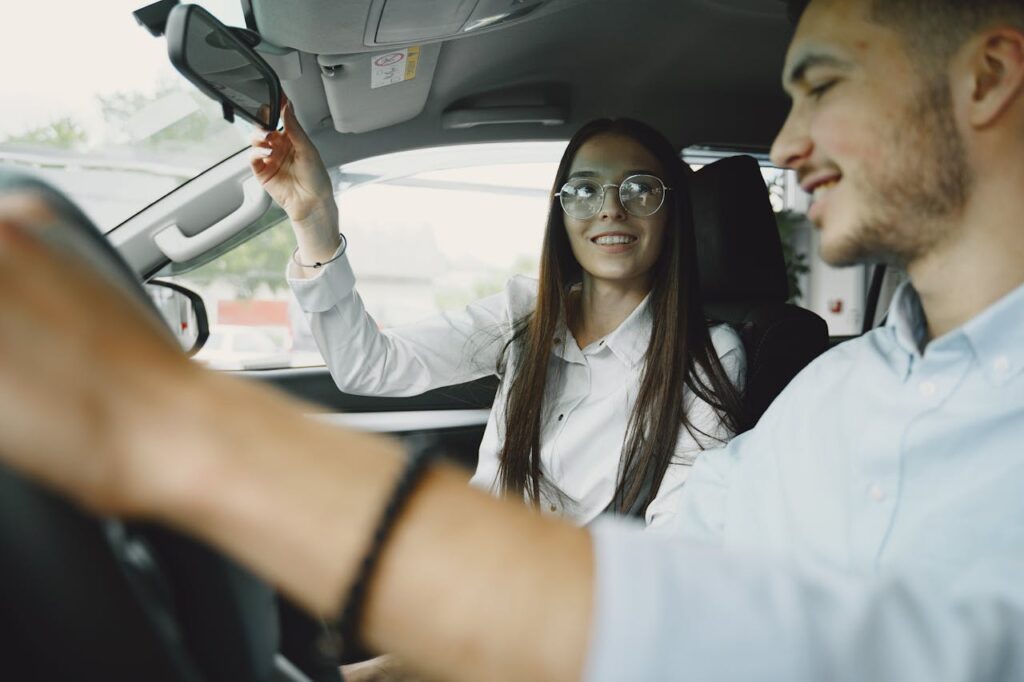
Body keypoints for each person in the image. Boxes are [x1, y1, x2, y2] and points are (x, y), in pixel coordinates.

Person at [1, 0, 1024, 680]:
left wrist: (176, 430)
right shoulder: (835, 396)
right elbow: (670, 581)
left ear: (986, 79)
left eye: (822, 85)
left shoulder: (733, 367)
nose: (785, 145)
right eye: (581, 189)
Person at [249, 112, 747, 527]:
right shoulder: (524, 311)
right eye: (584, 191)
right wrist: (314, 220)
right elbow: (369, 366)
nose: (611, 209)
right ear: (562, 213)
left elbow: (680, 532)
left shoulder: (707, 354)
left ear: (669, 213)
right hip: (464, 555)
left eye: (639, 189)